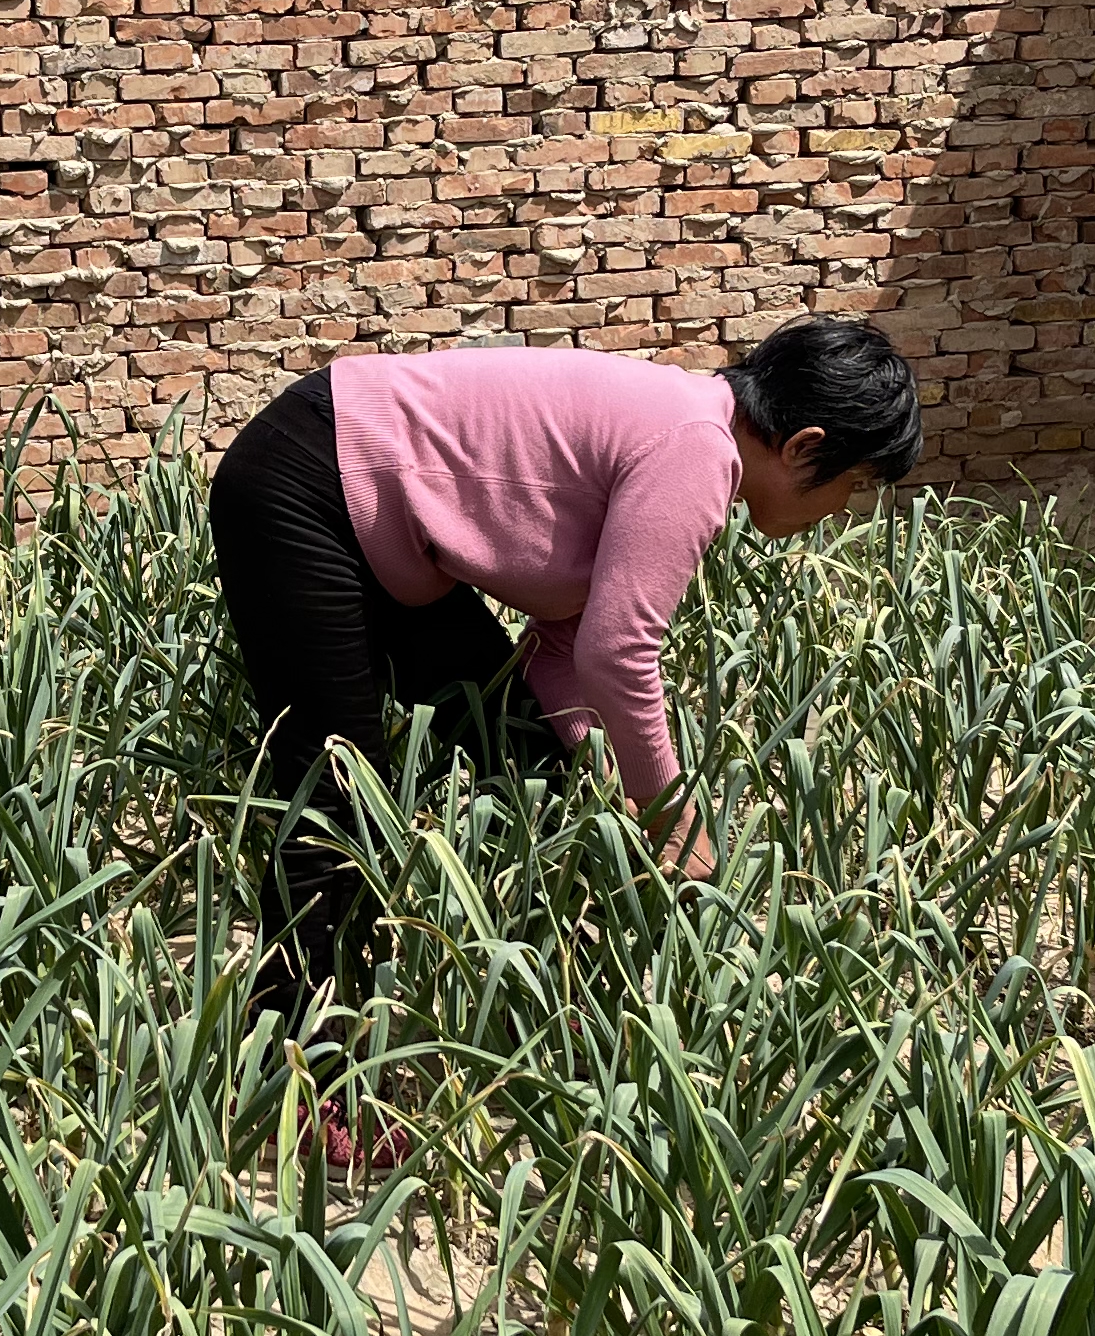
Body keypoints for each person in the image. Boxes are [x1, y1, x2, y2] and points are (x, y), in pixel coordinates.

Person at [204, 317, 921, 1020]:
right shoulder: (697, 448)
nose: (838, 512)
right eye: (851, 486)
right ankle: (297, 1065)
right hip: (309, 478)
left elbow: (564, 655)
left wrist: (604, 775)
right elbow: (618, 653)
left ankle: (538, 992)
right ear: (804, 448)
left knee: (516, 747)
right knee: (337, 789)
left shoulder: (685, 431)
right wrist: (671, 811)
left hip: (367, 504)